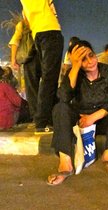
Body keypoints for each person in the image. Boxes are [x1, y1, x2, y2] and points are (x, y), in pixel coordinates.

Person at [47, 40, 108, 186]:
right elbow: (63, 97)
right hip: (81, 123)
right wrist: (74, 67)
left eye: (91, 55)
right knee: (60, 108)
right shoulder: (74, 73)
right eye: (83, 59)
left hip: (104, 121)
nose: (90, 61)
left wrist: (93, 117)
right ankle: (65, 164)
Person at [19, 0, 64, 134]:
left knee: (46, 79)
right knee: (50, 78)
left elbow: (26, 20)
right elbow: (52, 10)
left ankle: (46, 119)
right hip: (51, 31)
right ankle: (43, 121)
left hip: (37, 33)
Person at [9, 16, 40, 121]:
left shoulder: (23, 24)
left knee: (32, 88)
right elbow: (15, 41)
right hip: (36, 58)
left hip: (31, 60)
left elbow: (15, 42)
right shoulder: (24, 25)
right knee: (35, 88)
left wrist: (13, 60)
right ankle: (38, 116)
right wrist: (13, 59)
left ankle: (37, 116)